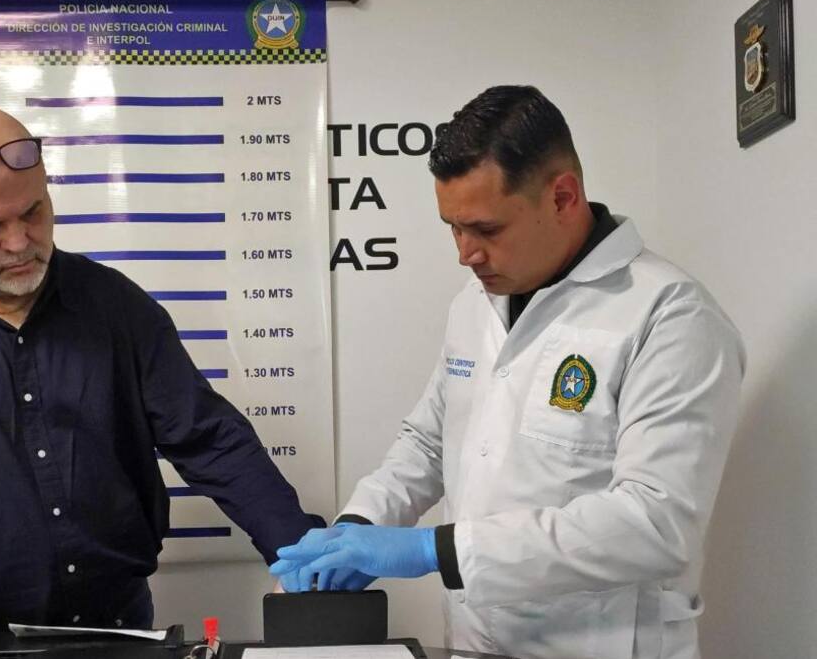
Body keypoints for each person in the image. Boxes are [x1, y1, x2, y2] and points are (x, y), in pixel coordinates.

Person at [0, 105, 322, 659]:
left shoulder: (116, 307)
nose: (19, 242)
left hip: (116, 633)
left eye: (33, 212)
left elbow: (208, 438)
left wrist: (303, 553)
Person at [270, 86, 744, 659]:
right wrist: (359, 526)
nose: (465, 253)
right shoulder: (475, 304)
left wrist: (431, 550)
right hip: (476, 639)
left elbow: (656, 523)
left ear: (563, 197)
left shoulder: (669, 315)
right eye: (453, 227)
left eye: (486, 229)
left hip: (598, 644)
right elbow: (429, 441)